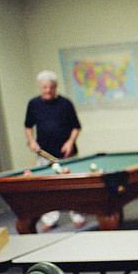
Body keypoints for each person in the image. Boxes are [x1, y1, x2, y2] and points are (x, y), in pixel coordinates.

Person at [24, 70, 85, 230]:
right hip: (44, 153)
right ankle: (50, 220)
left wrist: (70, 142)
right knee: (48, 188)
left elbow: (76, 127)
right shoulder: (33, 104)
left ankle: (78, 215)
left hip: (67, 153)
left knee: (73, 186)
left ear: (56, 87)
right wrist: (31, 141)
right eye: (44, 87)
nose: (48, 90)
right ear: (39, 87)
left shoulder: (66, 103)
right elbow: (28, 127)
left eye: (51, 87)